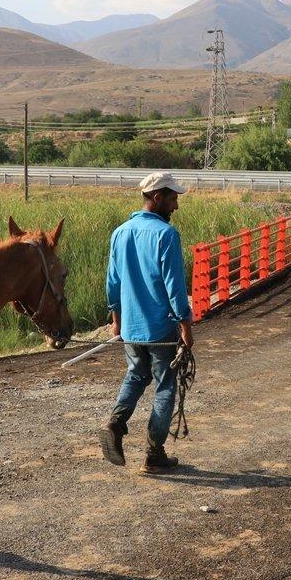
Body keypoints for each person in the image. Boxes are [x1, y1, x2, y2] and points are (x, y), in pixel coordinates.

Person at [99, 172, 194, 473]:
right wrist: (186, 327)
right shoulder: (166, 235)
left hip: (131, 328)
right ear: (158, 198)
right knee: (165, 385)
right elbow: (175, 286)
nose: (176, 206)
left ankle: (115, 424)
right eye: (173, 199)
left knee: (136, 375)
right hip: (160, 328)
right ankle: (154, 453)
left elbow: (112, 283)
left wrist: (117, 321)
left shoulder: (119, 232)